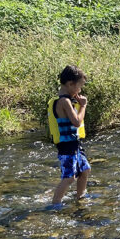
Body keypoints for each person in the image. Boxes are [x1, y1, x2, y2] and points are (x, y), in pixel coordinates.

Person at [48, 65, 91, 207]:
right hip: (66, 146)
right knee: (69, 177)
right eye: (79, 86)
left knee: (85, 170)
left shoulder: (68, 100)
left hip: (74, 143)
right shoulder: (64, 101)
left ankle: (81, 197)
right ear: (70, 84)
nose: (80, 90)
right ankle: (55, 204)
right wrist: (83, 106)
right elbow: (77, 122)